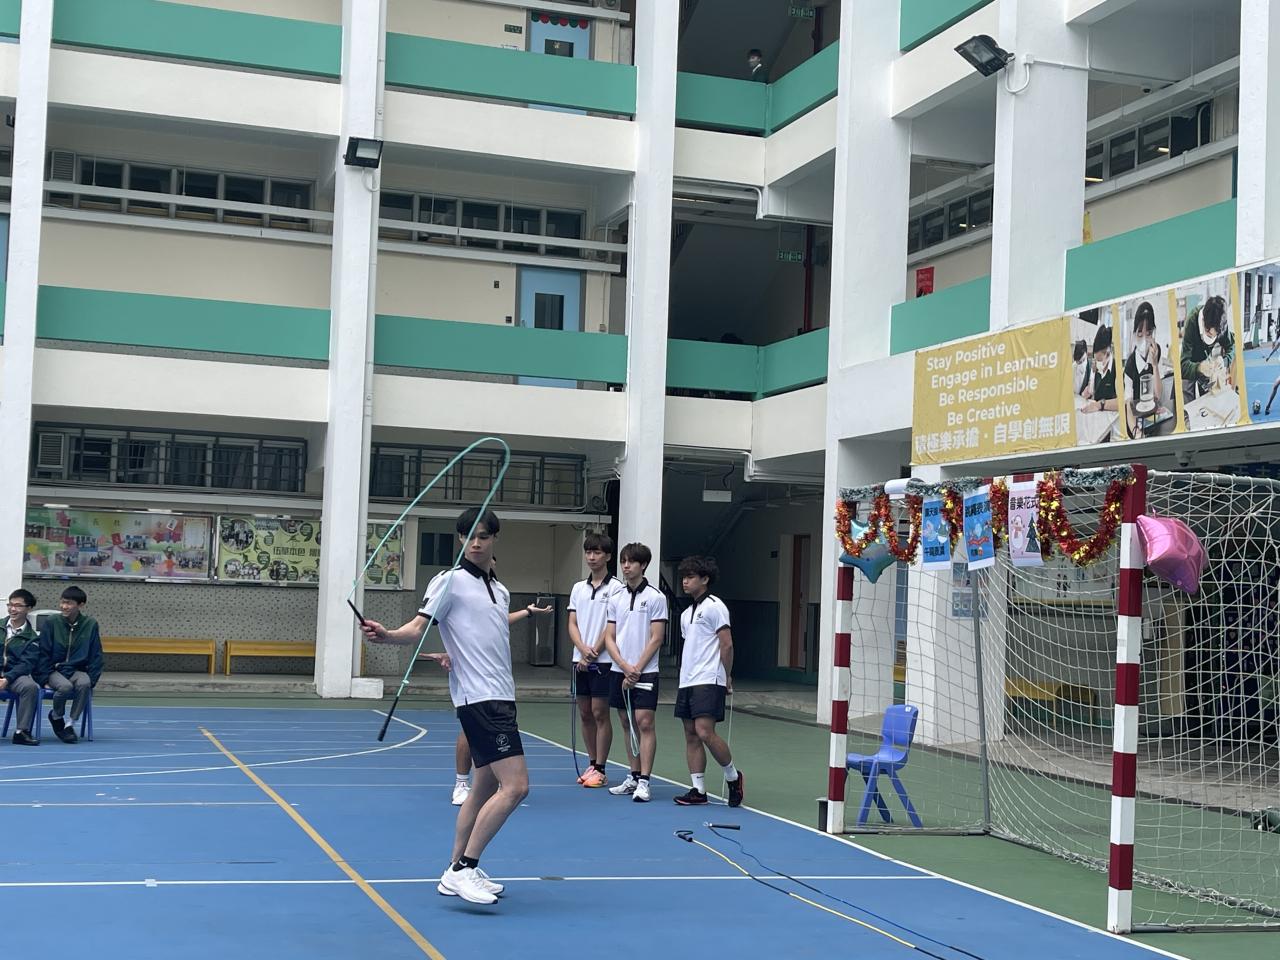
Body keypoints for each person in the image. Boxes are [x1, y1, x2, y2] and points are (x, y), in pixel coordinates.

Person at [361, 507, 531, 906]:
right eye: (468, 536)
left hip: (501, 695)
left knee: (483, 787)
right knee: (516, 787)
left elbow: (483, 638)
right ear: (460, 540)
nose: (475, 543)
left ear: (494, 539)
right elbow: (417, 628)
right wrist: (388, 635)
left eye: (483, 536)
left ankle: (455, 867)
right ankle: (463, 869)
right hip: (480, 700)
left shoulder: (500, 590)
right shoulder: (450, 582)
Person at [672, 557, 743, 808]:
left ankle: (733, 777)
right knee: (691, 734)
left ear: (705, 579)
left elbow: (727, 644)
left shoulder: (715, 606)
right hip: (687, 680)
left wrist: (727, 675)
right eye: (684, 577)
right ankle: (698, 790)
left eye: (690, 577)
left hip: (709, 678)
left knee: (704, 732)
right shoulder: (685, 614)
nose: (685, 581)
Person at [603, 543, 667, 803]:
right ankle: (633, 775)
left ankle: (645, 781)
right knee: (627, 722)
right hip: (619, 671)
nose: (626, 566)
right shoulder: (615, 597)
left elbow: (657, 638)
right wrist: (623, 665)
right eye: (623, 561)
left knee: (644, 722)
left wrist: (637, 668)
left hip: (646, 672)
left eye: (631, 562)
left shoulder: (656, 597)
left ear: (644, 565)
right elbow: (609, 637)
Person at [567, 532, 623, 788]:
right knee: (585, 713)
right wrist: (581, 649)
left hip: (604, 661)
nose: (591, 557)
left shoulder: (617, 588)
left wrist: (593, 652)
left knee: (600, 713)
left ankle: (600, 767)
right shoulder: (578, 588)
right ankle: (591, 763)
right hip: (579, 660)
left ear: (608, 556)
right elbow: (572, 623)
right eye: (588, 552)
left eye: (597, 552)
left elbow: (613, 626)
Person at [39, 586, 103, 743]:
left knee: (85, 683)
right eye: (62, 602)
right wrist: (44, 678)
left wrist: (93, 678)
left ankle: (70, 724)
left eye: (68, 603)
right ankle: (56, 716)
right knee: (65, 687)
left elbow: (96, 654)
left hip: (76, 669)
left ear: (80, 605)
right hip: (54, 670)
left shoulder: (90, 624)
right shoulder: (52, 622)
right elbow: (43, 652)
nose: (64, 606)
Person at [2, 589, 43, 745]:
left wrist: (7, 679)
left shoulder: (32, 638)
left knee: (30, 686)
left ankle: (21, 731)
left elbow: (26, 664)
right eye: (10, 605)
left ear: (28, 608)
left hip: (14, 677)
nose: (13, 609)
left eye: (18, 606)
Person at [1123, 301, 1168, 436]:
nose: (1144, 339)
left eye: (1148, 334)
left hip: (1153, 417)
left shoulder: (1156, 351)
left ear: (1153, 333)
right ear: (1134, 334)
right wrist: (1135, 431)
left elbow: (1158, 395)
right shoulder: (1130, 364)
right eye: (1139, 334)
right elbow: (1128, 403)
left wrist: (1154, 365)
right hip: (1135, 421)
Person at [1180, 295, 1233, 402]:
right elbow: (1183, 366)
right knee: (1186, 398)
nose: (1211, 338)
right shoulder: (1192, 321)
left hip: (1206, 361)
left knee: (1210, 396)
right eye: (1208, 333)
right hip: (1190, 362)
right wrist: (1199, 367)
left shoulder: (1221, 324)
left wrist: (1224, 361)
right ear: (1203, 320)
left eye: (1215, 336)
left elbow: (1231, 346)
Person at [1080, 325, 1118, 415]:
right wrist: (1088, 391)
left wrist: (1099, 405)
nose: (1097, 363)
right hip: (1096, 416)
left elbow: (1122, 402)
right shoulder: (1095, 367)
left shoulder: (1117, 369)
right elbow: (1093, 392)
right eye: (1096, 359)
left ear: (1108, 354)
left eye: (1099, 360)